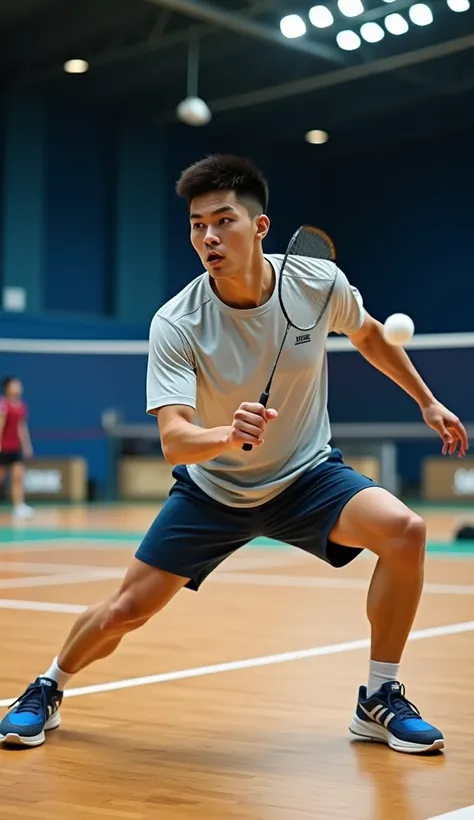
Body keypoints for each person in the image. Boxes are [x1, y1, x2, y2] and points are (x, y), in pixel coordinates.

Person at [0, 155, 468, 753]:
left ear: (260, 227)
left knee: (405, 530)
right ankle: (47, 686)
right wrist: (226, 434)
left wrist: (427, 401)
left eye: (223, 221)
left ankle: (378, 697)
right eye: (197, 225)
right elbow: (174, 437)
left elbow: (369, 334)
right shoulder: (178, 321)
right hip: (214, 490)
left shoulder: (316, 283)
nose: (209, 237)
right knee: (127, 610)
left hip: (306, 476)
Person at [0, 376, 35, 520]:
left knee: (18, 477)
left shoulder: (21, 406)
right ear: (7, 388)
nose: (18, 387)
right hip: (3, 448)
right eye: (14, 385)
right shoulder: (3, 405)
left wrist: (27, 445)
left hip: (15, 448)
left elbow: (22, 427)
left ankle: (19, 507)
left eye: (18, 384)